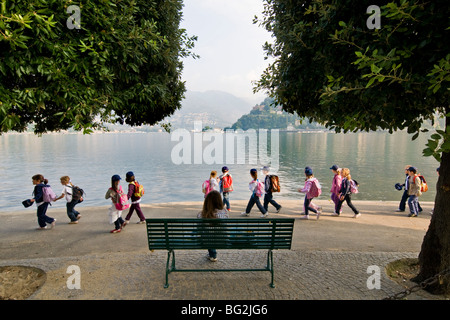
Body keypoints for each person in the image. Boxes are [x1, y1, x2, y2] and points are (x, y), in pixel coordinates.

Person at [197, 190, 229, 262]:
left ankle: (212, 254)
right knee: (213, 233)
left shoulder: (201, 214)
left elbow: (198, 230)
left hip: (205, 241)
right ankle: (212, 254)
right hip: (223, 240)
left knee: (208, 234)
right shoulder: (225, 212)